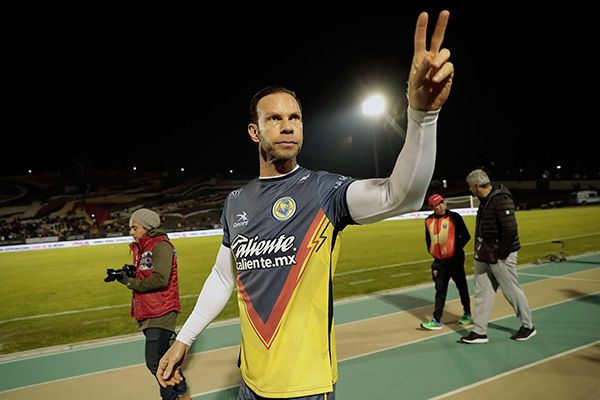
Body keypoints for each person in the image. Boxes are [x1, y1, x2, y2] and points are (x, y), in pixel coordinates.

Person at [157, 10, 454, 399]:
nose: (288, 124)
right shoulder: (236, 202)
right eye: (275, 118)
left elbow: (402, 195)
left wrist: (423, 115)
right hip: (250, 382)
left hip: (307, 387)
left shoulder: (323, 191)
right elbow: (223, 278)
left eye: (295, 117)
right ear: (254, 131)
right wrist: (185, 338)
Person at [107, 208, 191, 400]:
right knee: (164, 361)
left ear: (146, 227)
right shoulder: (144, 246)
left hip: (161, 311)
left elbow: (160, 279)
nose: (131, 232)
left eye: (134, 227)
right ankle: (182, 394)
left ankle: (173, 396)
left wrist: (129, 281)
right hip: (151, 310)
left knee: (155, 363)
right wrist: (129, 273)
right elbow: (147, 273)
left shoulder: (161, 246)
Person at [460, 169, 536, 344]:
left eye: (471, 187)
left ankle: (528, 326)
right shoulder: (485, 200)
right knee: (482, 293)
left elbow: (510, 229)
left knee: (512, 291)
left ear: (478, 186)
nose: (470, 190)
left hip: (500, 255)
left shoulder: (501, 199)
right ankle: (479, 332)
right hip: (484, 254)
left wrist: (503, 253)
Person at [420, 193, 471, 330]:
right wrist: (433, 252)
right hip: (439, 262)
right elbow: (428, 240)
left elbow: (466, 236)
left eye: (442, 202)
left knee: (461, 286)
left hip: (455, 260)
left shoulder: (454, 217)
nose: (441, 206)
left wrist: (454, 249)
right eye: (437, 205)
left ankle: (467, 312)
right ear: (432, 207)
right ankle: (437, 320)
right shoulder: (428, 220)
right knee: (440, 290)